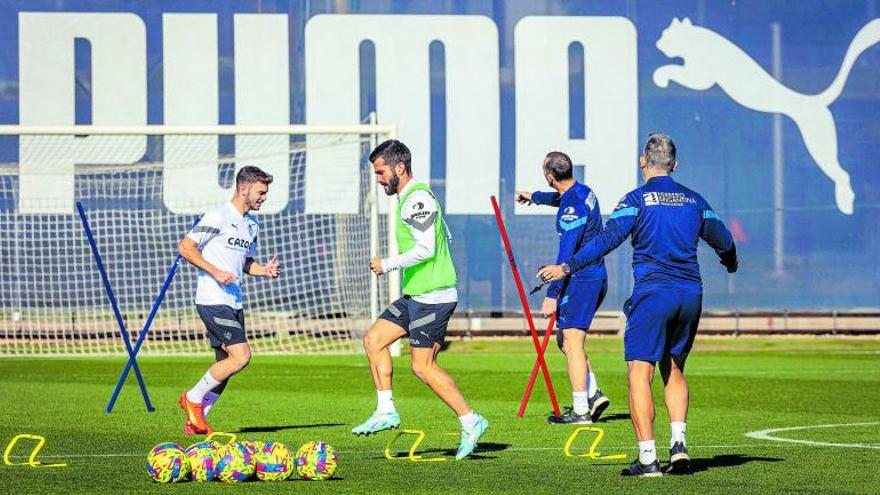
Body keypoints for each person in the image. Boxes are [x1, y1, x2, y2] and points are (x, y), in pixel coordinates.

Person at [538, 134, 738, 476]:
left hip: (653, 295)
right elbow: (725, 241)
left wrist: (566, 267)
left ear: (643, 162)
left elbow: (606, 240)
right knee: (674, 368)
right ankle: (679, 446)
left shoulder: (636, 200)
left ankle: (648, 459)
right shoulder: (694, 200)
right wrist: (730, 261)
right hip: (690, 295)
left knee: (639, 374)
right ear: (674, 165)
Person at [352, 139, 489, 460]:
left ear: (400, 168)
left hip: (434, 296)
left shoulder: (417, 199)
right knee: (374, 340)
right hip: (417, 294)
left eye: (382, 171)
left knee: (422, 367)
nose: (379, 178)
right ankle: (386, 411)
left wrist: (387, 264)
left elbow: (426, 249)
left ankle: (471, 420)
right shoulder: (409, 199)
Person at [177, 166, 280, 435]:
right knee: (241, 356)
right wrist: (215, 271)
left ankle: (196, 421)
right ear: (243, 189)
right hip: (212, 299)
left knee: (225, 365)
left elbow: (245, 263)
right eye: (260, 192)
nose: (264, 198)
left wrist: (263, 270)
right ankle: (192, 398)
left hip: (234, 301)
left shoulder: (252, 224)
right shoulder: (218, 216)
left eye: (265, 193)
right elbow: (186, 247)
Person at [515, 151, 611, 424]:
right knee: (565, 341)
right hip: (593, 277)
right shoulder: (581, 191)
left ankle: (581, 410)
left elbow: (566, 252)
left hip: (582, 279)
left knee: (572, 341)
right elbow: (558, 198)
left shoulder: (571, 209)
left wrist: (551, 295)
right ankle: (593, 393)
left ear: (550, 176)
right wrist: (532, 196)